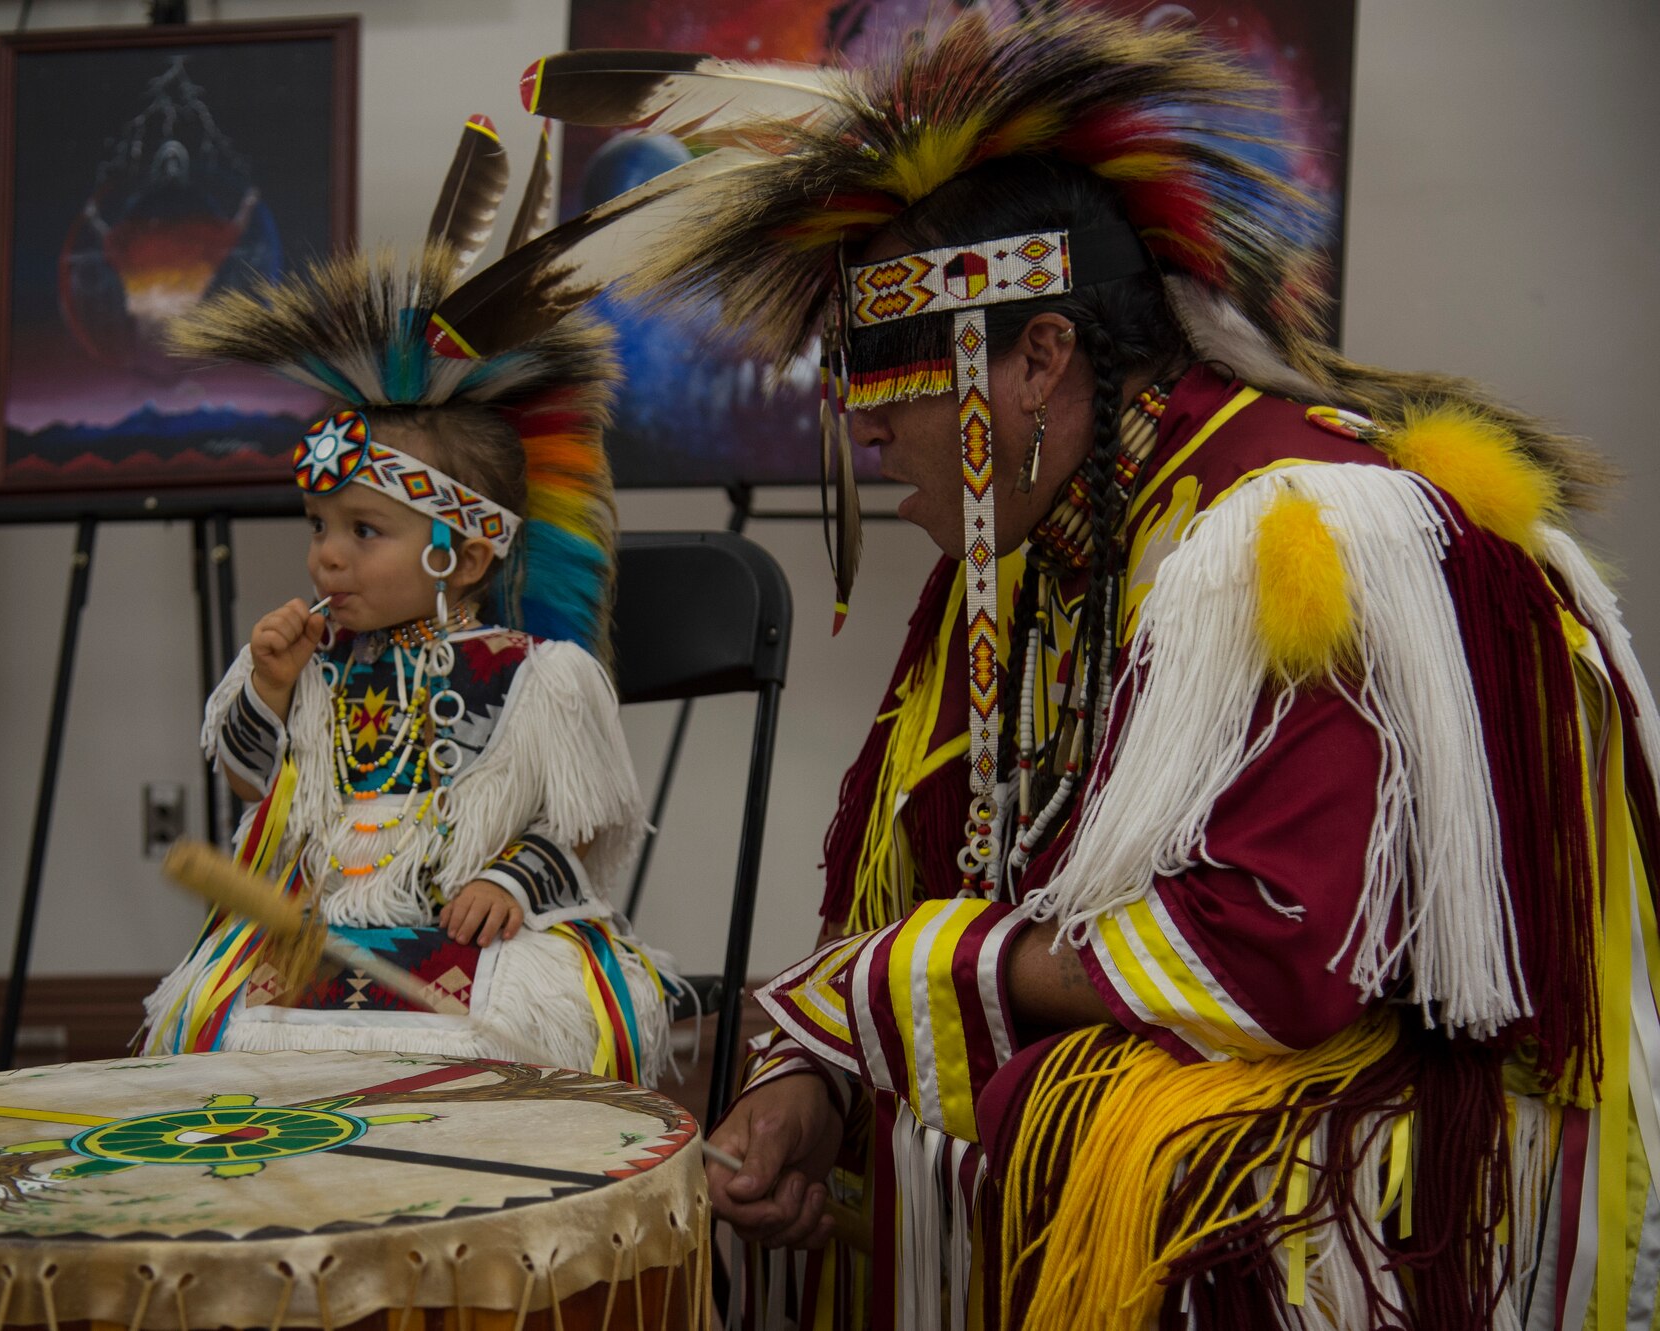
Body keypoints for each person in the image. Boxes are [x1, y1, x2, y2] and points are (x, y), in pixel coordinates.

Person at [426, 12, 1660, 1328]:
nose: (861, 418)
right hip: (1229, 1043)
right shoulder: (1020, 550)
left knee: (1124, 1147)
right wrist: (821, 1081)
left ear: (1040, 355)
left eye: (886, 368)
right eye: (843, 371)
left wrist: (900, 975)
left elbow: (1270, 959)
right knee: (926, 1129)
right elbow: (927, 871)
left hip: (1417, 1124)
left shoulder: (1297, 533)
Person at [139, 118, 678, 1088]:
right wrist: (266, 689)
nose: (326, 556)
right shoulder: (311, 664)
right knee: (210, 1006)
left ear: (464, 551)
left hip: (479, 932)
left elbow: (588, 824)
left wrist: (510, 879)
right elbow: (253, 784)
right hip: (320, 929)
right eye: (317, 526)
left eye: (363, 530)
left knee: (527, 1014)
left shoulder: (539, 678)